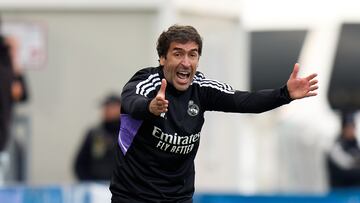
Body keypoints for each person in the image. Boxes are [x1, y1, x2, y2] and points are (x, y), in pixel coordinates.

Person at [109, 25, 318, 202]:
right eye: (178, 53)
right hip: (133, 196)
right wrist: (150, 107)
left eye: (192, 54)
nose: (186, 62)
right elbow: (130, 101)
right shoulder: (147, 83)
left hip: (178, 197)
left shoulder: (201, 88)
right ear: (162, 58)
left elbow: (243, 101)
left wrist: (284, 94)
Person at [74, 94, 121, 181]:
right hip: (96, 188)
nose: (106, 110)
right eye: (105, 107)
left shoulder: (129, 134)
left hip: (122, 189)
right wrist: (88, 183)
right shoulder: (94, 134)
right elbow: (80, 164)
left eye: (111, 106)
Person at [326, 111, 360, 189]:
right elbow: (345, 166)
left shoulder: (355, 145)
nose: (351, 130)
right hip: (340, 192)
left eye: (353, 127)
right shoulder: (336, 146)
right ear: (343, 129)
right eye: (349, 127)